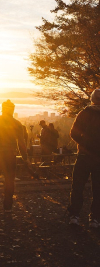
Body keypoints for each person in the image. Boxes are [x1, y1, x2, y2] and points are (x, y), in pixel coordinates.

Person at [0, 100, 28, 213]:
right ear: (13, 110)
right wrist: (25, 157)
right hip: (11, 155)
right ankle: (8, 207)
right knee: (9, 181)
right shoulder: (17, 124)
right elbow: (21, 142)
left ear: (2, 109)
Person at [67, 89, 100, 228]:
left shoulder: (84, 113)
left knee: (78, 186)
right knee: (98, 188)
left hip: (84, 156)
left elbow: (73, 133)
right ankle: (95, 218)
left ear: (92, 99)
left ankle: (74, 215)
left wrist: (84, 144)